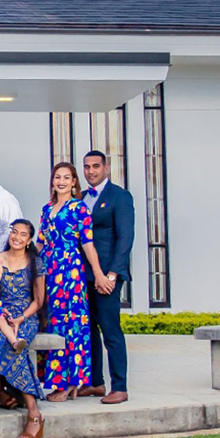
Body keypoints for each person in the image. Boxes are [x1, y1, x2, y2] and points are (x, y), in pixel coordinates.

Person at [39, 162, 108, 402]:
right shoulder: (47, 209)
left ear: (74, 182)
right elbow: (40, 243)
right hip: (50, 272)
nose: (61, 181)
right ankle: (61, 379)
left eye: (66, 177)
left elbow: (88, 245)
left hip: (70, 273)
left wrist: (98, 274)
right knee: (54, 324)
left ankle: (70, 382)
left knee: (72, 327)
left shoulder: (79, 208)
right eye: (57, 177)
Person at [81, 151, 134, 405]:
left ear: (106, 167)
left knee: (110, 330)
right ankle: (95, 383)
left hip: (108, 276)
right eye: (87, 167)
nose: (91, 171)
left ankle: (120, 386)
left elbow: (125, 238)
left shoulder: (119, 196)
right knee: (89, 329)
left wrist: (112, 274)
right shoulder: (81, 198)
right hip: (85, 276)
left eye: (95, 166)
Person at [0, 220, 47, 438]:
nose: (17, 237)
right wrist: (2, 312)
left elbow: (39, 300)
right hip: (3, 315)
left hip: (26, 316)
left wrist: (21, 318)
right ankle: (1, 392)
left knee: (18, 346)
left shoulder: (36, 262)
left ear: (29, 240)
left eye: (23, 234)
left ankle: (33, 412)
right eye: (14, 232)